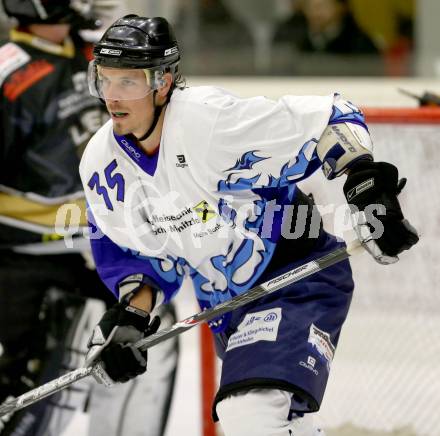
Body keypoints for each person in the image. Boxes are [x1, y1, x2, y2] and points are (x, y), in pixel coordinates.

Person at [80, 15, 419, 436]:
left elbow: (330, 117)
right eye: (104, 80)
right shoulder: (101, 164)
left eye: (127, 82)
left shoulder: (209, 123)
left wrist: (367, 187)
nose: (112, 97)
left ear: (162, 81)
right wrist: (130, 317)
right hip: (228, 309)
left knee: (248, 416)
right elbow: (138, 256)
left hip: (295, 278)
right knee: (272, 421)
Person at [0, 3, 177, 435]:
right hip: (25, 259)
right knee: (22, 395)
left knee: (147, 330)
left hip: (103, 250)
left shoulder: (99, 57)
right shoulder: (10, 71)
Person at [276, 0, 378, 55]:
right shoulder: (290, 33)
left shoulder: (359, 41)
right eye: (310, 5)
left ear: (341, 7)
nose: (316, 11)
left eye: (323, 5)